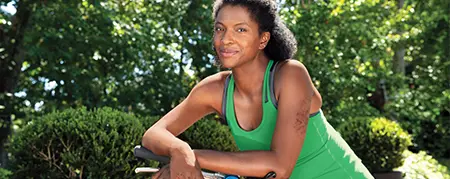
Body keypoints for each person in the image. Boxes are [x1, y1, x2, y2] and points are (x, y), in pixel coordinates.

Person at [142, 0, 374, 178]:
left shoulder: (291, 75)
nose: (226, 40)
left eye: (240, 30)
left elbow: (279, 166)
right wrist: (180, 151)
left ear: (262, 40)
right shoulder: (214, 90)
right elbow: (153, 134)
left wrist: (193, 159)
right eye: (220, 29)